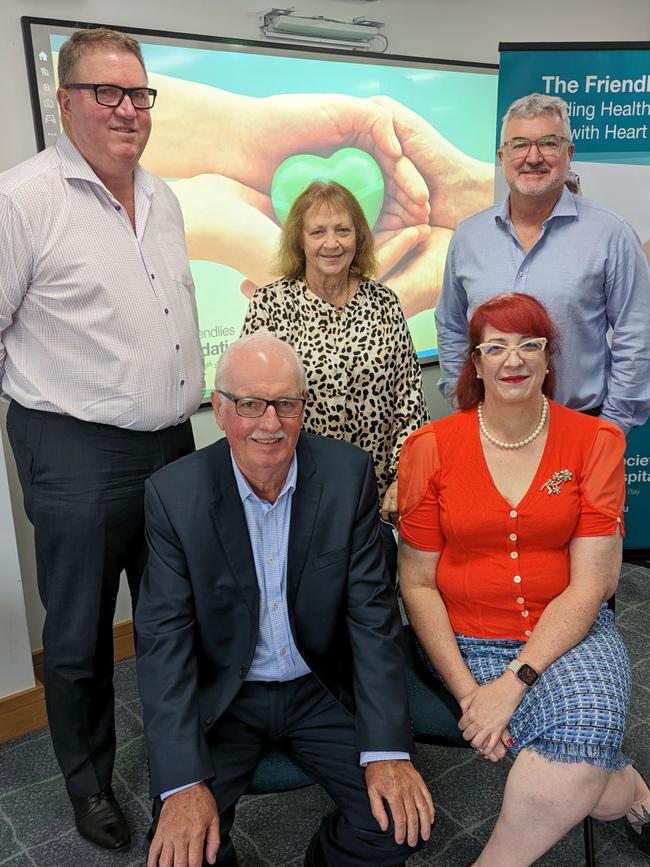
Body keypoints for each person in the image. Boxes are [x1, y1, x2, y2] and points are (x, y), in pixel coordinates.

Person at [0, 28, 203, 849]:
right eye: (107, 93)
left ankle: (181, 772)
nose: (128, 110)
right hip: (74, 450)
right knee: (80, 636)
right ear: (65, 99)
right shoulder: (23, 199)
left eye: (139, 94)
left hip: (173, 448)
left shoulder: (163, 196)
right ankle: (88, 784)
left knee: (175, 620)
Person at [135, 333, 435, 867]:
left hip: (319, 684)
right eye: (250, 404)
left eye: (285, 404)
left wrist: (388, 751)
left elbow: (373, 617)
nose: (269, 424)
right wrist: (181, 782)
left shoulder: (347, 477)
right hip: (227, 695)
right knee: (183, 853)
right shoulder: (173, 495)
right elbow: (164, 644)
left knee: (396, 830)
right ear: (221, 411)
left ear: (303, 409)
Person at [398, 293, 650, 865]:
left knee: (577, 743)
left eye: (529, 344)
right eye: (496, 346)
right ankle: (633, 791)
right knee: (580, 756)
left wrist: (509, 689)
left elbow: (593, 586)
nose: (514, 359)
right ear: (476, 362)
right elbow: (417, 583)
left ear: (547, 357)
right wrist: (470, 696)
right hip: (472, 638)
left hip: (572, 631)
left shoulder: (596, 444)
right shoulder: (429, 449)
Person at [240, 181, 428, 576]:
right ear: (300, 240)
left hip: (374, 500)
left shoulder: (385, 304)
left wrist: (403, 481)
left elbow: (409, 403)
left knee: (370, 601)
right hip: (294, 495)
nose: (332, 243)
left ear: (358, 238)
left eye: (342, 230)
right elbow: (251, 406)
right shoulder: (270, 305)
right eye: (318, 231)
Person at [435, 92, 650, 435]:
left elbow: (637, 334)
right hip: (486, 431)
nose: (533, 157)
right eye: (519, 145)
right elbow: (450, 324)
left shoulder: (612, 235)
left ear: (569, 154)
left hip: (582, 427)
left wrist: (612, 427)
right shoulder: (468, 238)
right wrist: (460, 398)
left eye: (549, 143)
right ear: (502, 157)